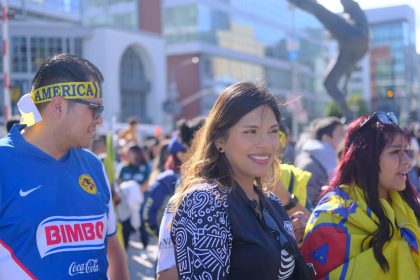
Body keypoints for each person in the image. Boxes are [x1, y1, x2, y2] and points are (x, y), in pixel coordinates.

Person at [0, 54, 129, 279]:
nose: (99, 120)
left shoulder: (93, 166)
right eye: (94, 109)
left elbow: (113, 250)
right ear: (58, 106)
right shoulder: (4, 162)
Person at [170, 82, 313, 279]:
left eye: (273, 131)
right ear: (220, 140)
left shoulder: (272, 202)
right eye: (251, 131)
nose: (266, 143)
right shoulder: (204, 202)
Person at [301, 112, 420, 279]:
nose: (407, 160)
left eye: (406, 151)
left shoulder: (411, 209)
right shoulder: (329, 219)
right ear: (366, 159)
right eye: (395, 152)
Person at [295, 116, 345, 209]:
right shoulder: (310, 165)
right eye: (341, 134)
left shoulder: (329, 159)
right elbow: (306, 204)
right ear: (326, 138)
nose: (345, 137)